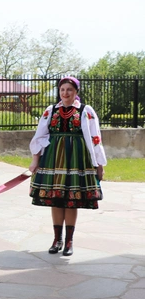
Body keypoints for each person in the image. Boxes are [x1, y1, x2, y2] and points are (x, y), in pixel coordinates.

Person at [29, 76, 106, 256]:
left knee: (72, 200)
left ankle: (69, 241)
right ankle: (57, 239)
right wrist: (35, 160)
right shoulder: (51, 110)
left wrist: (99, 164)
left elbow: (96, 138)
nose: (65, 93)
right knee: (55, 198)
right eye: (62, 90)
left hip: (77, 160)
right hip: (53, 160)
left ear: (76, 92)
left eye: (69, 90)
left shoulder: (86, 111)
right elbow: (39, 136)